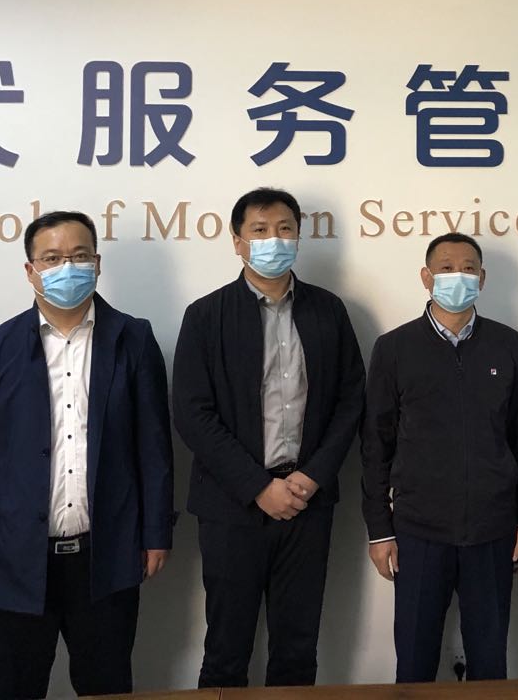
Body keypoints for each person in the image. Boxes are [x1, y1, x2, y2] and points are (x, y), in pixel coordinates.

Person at [0, 210, 174, 700]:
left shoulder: (133, 339)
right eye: (52, 258)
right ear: (31, 270)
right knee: (13, 689)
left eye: (79, 256)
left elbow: (154, 450)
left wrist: (156, 533)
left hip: (105, 556)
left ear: (97, 264)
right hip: (13, 560)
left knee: (107, 688)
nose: (67, 267)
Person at [172, 187, 365, 688]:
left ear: (299, 237)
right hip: (231, 506)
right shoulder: (205, 316)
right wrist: (257, 486)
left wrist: (312, 477)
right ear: (237, 241)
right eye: (259, 230)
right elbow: (192, 413)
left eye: (284, 229)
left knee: (298, 649)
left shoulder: (328, 310)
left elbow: (350, 400)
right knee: (225, 649)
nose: (273, 240)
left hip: (307, 503)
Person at [361, 233, 518, 682]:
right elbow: (376, 444)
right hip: (418, 531)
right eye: (446, 267)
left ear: (482, 277)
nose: (457, 276)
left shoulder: (508, 345)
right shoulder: (394, 347)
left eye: (467, 268)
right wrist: (380, 530)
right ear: (426, 277)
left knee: (490, 663)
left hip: (494, 530)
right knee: (414, 663)